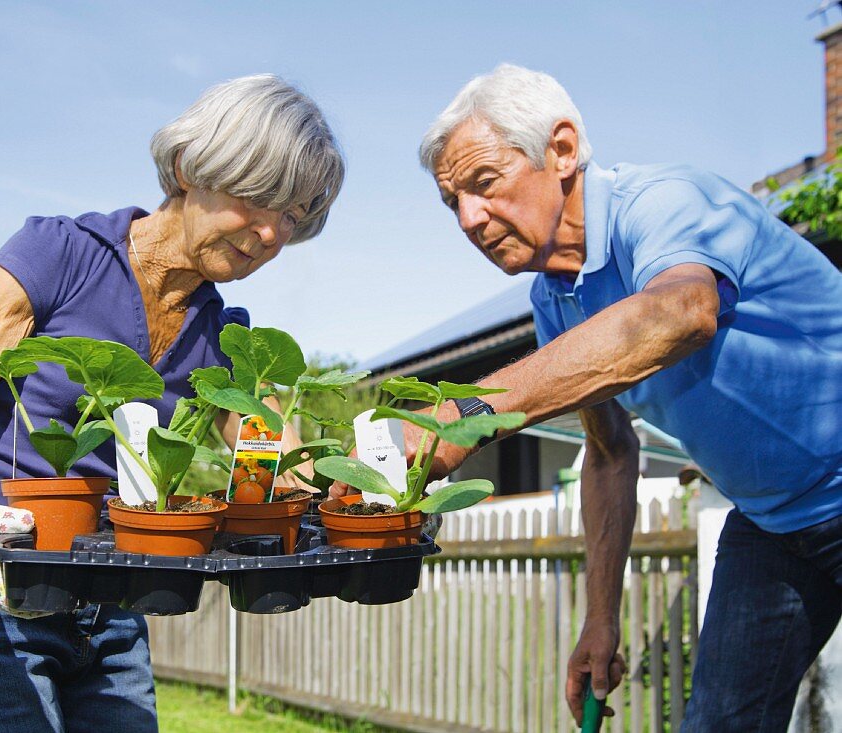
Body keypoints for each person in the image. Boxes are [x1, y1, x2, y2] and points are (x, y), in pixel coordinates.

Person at [341, 63, 841, 731]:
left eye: (484, 184)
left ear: (564, 149)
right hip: (773, 524)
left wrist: (462, 415)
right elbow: (608, 450)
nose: (468, 218)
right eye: (452, 201)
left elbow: (682, 311)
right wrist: (601, 618)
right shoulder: (554, 301)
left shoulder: (663, 203)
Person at [0, 73, 343, 732]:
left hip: (113, 601)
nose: (272, 232)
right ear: (190, 168)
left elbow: (279, 471)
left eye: (294, 215)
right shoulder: (57, 255)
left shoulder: (227, 337)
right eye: (260, 197)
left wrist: (365, 501)